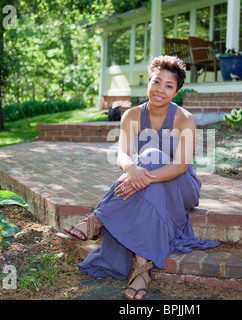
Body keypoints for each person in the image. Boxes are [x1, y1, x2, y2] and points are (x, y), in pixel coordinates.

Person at [64, 55, 219, 300]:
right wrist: (132, 170)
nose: (160, 90)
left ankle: (97, 218)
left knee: (151, 155)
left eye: (169, 86)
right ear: (148, 82)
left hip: (181, 186)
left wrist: (140, 175)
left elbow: (180, 165)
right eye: (156, 82)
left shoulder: (185, 119)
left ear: (176, 91)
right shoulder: (132, 116)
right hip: (150, 183)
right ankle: (142, 269)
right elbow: (123, 155)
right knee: (145, 167)